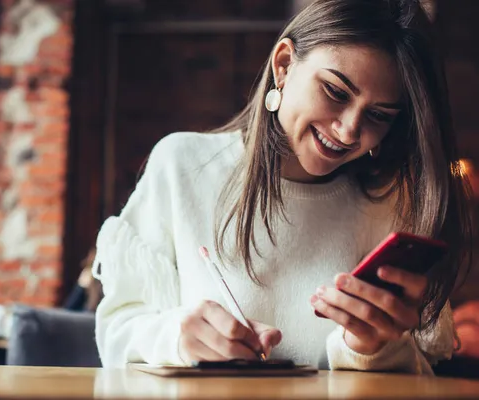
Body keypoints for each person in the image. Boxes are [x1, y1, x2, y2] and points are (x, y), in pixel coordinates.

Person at [91, 0, 473, 375]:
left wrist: (370, 350)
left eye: (378, 115)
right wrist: (176, 338)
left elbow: (422, 380)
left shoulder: (391, 206)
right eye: (336, 92)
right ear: (284, 65)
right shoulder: (181, 165)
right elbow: (117, 333)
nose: (349, 130)